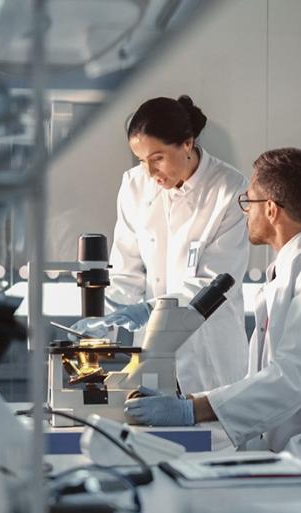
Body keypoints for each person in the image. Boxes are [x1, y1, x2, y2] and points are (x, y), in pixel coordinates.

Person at [126, 148, 301, 492]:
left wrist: (192, 409)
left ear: (271, 209)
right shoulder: (288, 270)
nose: (246, 212)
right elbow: (269, 381)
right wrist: (189, 402)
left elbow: (292, 376)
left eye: (248, 202)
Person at [74, 96, 249, 395]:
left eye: (157, 158)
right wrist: (104, 324)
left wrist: (147, 310)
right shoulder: (134, 186)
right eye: (142, 161)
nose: (150, 172)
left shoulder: (230, 189)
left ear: (187, 143)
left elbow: (215, 284)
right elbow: (126, 270)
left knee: (207, 421)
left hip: (209, 355)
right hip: (152, 352)